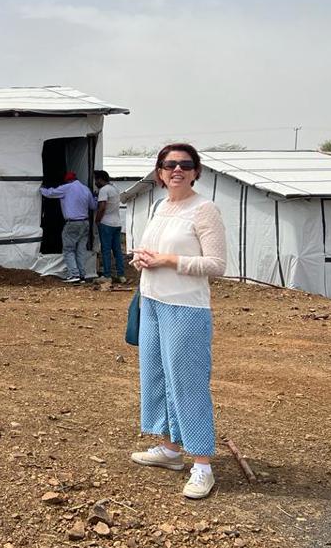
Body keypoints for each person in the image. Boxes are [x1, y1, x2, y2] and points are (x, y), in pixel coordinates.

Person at [129, 143, 226, 500]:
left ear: (196, 171)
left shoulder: (204, 210)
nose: (177, 170)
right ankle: (170, 449)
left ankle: (202, 465)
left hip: (186, 307)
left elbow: (216, 265)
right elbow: (153, 250)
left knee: (187, 382)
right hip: (152, 301)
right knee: (156, 376)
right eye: (169, 165)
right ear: (159, 172)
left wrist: (169, 260)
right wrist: (142, 259)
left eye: (185, 164)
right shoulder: (159, 207)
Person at [40, 171, 97, 283]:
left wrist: (40, 188)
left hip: (72, 223)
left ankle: (73, 274)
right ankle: (82, 276)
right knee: (81, 250)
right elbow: (93, 206)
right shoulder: (85, 189)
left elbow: (50, 193)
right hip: (85, 223)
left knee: (68, 250)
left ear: (67, 180)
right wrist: (95, 198)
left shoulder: (66, 188)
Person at [93, 170, 125, 283]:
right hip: (117, 223)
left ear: (100, 179)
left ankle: (107, 276)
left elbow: (102, 207)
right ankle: (121, 275)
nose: (95, 182)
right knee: (117, 250)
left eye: (96, 179)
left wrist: (97, 220)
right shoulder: (115, 188)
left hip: (106, 223)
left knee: (106, 250)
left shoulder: (104, 190)